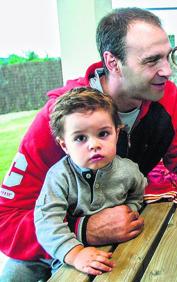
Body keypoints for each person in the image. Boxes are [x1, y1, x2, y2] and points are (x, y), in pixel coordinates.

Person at [0, 7, 177, 281]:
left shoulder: (167, 98)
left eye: (167, 56)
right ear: (113, 62)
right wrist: (83, 229)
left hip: (123, 230)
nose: (167, 71)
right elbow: (5, 220)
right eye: (152, 60)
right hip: (49, 242)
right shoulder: (60, 118)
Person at [33, 87, 147, 277]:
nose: (94, 145)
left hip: (121, 248)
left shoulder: (128, 170)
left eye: (103, 134)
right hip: (71, 256)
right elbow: (46, 221)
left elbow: (138, 190)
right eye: (80, 138)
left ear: (117, 134)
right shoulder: (60, 177)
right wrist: (75, 254)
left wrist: (131, 209)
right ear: (64, 145)